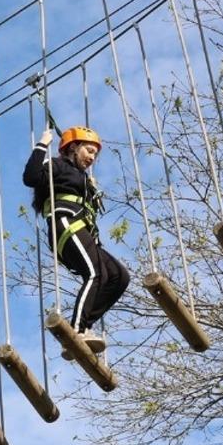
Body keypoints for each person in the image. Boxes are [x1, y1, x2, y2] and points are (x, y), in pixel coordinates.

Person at [22, 125, 129, 356]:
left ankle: (84, 325)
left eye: (95, 155)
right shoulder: (58, 166)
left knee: (119, 277)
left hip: (84, 231)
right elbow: (30, 178)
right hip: (66, 225)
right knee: (94, 274)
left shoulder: (83, 179)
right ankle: (77, 330)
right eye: (89, 151)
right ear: (73, 147)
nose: (91, 158)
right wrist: (42, 145)